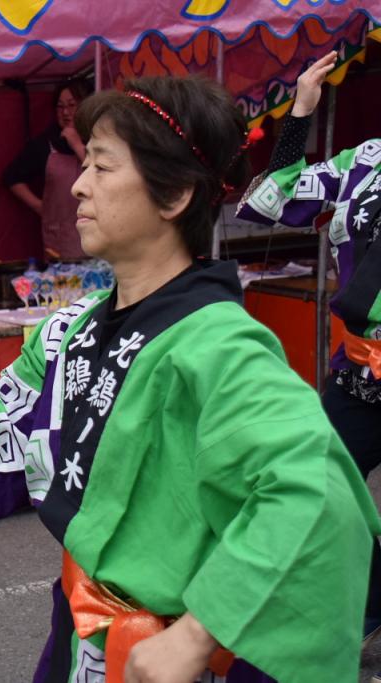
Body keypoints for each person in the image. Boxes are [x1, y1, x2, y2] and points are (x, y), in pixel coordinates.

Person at [0, 74, 380, 682]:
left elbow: (316, 493)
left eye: (102, 167)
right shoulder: (69, 330)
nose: (78, 185)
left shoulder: (221, 345)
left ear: (175, 193)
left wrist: (195, 631)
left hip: (167, 655)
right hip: (79, 632)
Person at [237, 51, 381, 664]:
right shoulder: (366, 162)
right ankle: (363, 610)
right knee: (320, 493)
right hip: (358, 377)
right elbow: (275, 197)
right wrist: (299, 114)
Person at [3, 80, 91, 261]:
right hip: (61, 244)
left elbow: (100, 173)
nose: (65, 112)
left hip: (98, 239)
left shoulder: (98, 138)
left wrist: (76, 143)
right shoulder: (45, 144)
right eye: (60, 107)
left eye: (72, 105)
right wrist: (39, 206)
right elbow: (12, 176)